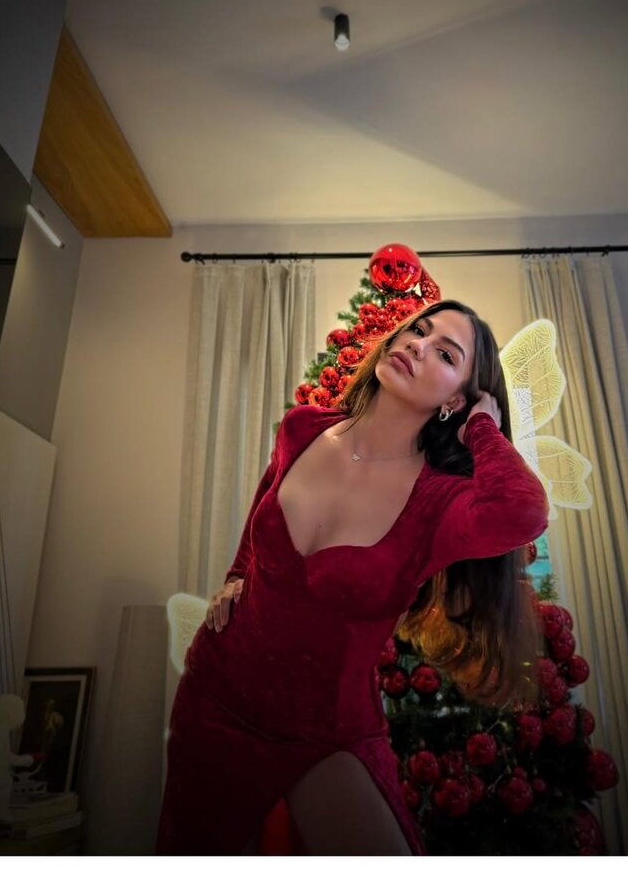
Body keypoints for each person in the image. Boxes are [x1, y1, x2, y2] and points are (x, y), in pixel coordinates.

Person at [156, 299, 549, 855]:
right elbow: (264, 505)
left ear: (455, 400)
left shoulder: (439, 504)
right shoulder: (301, 429)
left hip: (328, 733)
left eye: (445, 353)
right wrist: (237, 576)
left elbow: (522, 512)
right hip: (215, 697)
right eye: (418, 330)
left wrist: (483, 426)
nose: (417, 344)